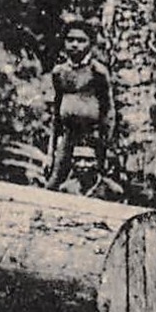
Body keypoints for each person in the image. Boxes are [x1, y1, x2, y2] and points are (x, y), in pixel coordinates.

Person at [46, 19, 114, 189]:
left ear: (90, 44)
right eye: (70, 40)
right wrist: (50, 151)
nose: (75, 45)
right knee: (54, 182)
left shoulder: (98, 72)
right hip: (68, 135)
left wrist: (105, 147)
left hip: (92, 137)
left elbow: (108, 111)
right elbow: (56, 113)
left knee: (93, 184)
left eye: (81, 40)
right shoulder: (59, 72)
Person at [58, 143, 124, 201]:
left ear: (98, 162)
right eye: (77, 159)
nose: (82, 165)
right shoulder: (66, 189)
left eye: (88, 160)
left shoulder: (112, 190)